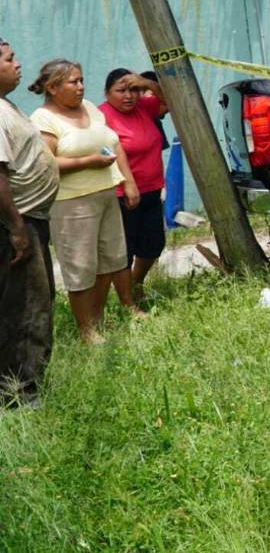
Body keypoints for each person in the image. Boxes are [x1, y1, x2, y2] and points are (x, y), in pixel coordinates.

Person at [29, 59, 143, 343]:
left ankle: (98, 320)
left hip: (106, 193)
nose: (81, 87)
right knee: (81, 266)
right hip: (72, 202)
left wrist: (127, 181)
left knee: (109, 260)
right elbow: (47, 163)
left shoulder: (90, 108)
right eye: (73, 82)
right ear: (53, 87)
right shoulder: (43, 119)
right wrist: (89, 162)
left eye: (81, 80)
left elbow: (114, 144)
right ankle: (86, 331)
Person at [0, 40, 58, 405]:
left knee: (30, 302)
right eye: (9, 59)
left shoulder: (6, 105)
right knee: (26, 308)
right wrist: (17, 228)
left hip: (26, 222)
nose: (18, 64)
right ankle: (20, 394)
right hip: (16, 227)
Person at [99, 69, 168, 302]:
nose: (128, 96)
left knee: (153, 244)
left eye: (134, 90)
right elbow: (104, 151)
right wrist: (126, 183)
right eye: (121, 90)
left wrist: (148, 83)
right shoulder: (101, 116)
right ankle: (126, 301)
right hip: (122, 193)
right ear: (107, 92)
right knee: (124, 250)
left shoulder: (144, 108)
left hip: (151, 188)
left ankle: (136, 285)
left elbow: (172, 101)